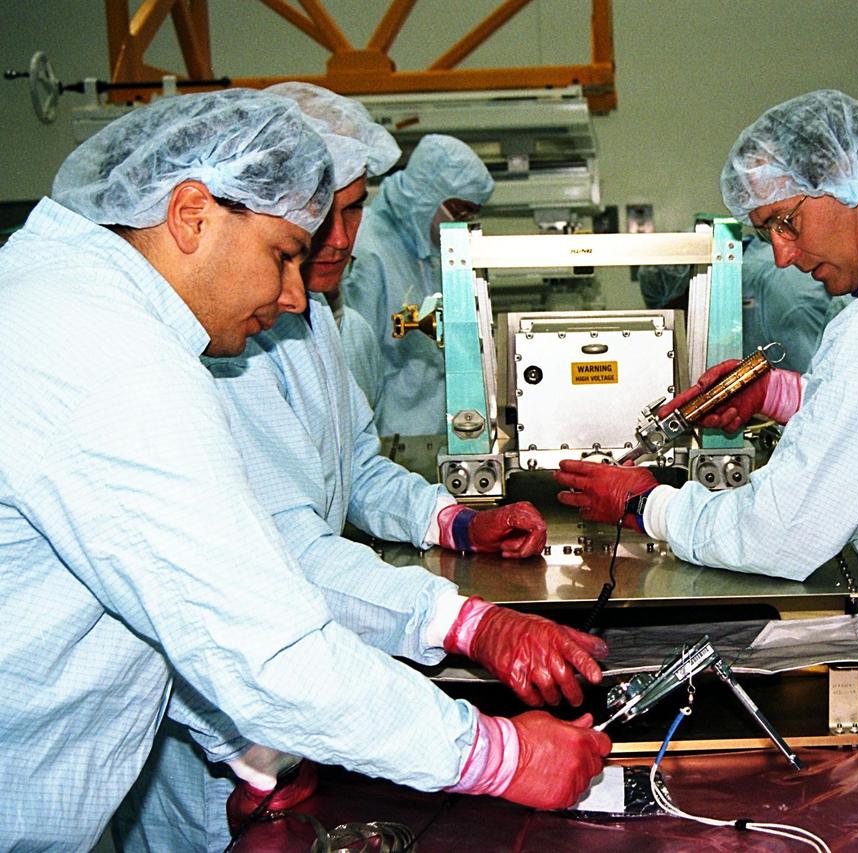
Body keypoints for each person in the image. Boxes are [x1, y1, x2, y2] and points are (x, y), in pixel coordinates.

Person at [0, 90, 608, 850]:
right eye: (284, 253)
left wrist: (245, 748)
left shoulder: (66, 303)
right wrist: (498, 753)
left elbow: (161, 605)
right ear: (191, 215)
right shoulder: (109, 357)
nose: (295, 292)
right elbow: (261, 642)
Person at [554, 89, 858, 850]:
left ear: (848, 179)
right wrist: (781, 395)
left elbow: (779, 531)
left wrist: (649, 502)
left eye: (785, 222)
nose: (782, 255)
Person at [343, 134, 494, 437]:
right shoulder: (369, 251)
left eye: (470, 215)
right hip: (389, 440)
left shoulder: (429, 253)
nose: (462, 223)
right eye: (459, 210)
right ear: (429, 192)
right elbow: (352, 366)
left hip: (435, 434)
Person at [639, 234, 835, 372]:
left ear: (694, 290)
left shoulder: (768, 283)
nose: (689, 324)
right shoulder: (745, 270)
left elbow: (810, 382)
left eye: (684, 313)